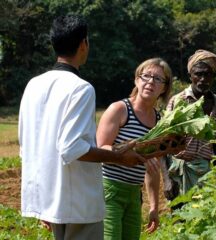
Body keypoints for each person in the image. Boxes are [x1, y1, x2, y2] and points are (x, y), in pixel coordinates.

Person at [18, 14, 145, 240]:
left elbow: (27, 144)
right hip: (78, 203)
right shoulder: (81, 88)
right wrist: (118, 156)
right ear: (83, 44)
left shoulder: (33, 84)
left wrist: (43, 201)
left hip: (51, 199)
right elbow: (72, 148)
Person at [96, 58, 173, 240]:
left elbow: (152, 167)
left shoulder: (159, 122)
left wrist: (154, 206)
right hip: (109, 190)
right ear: (137, 80)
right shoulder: (120, 109)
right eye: (146, 76)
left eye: (158, 79)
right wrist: (127, 152)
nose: (150, 82)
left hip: (133, 194)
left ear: (164, 88)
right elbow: (99, 150)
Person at [161, 49, 216, 203]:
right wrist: (166, 180)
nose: (203, 79)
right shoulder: (178, 101)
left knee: (204, 220)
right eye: (198, 74)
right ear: (190, 75)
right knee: (179, 221)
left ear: (213, 76)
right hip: (179, 172)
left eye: (207, 74)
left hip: (205, 173)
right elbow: (163, 145)